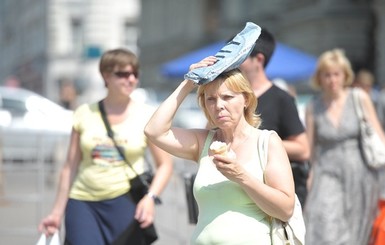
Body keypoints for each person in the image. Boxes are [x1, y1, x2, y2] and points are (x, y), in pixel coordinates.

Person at [144, 56, 295, 244]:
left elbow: (285, 209)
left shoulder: (266, 141)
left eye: (227, 97)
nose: (219, 106)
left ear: (246, 99)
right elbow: (154, 131)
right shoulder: (203, 141)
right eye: (211, 99)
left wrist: (241, 176)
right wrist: (189, 82)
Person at [38, 48, 173, 244]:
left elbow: (165, 165)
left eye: (135, 73)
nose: (131, 79)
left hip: (125, 203)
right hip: (83, 202)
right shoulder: (84, 113)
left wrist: (150, 198)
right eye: (123, 74)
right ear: (106, 75)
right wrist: (56, 213)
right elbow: (69, 167)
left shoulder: (147, 116)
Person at [304, 48, 384, 244]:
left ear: (345, 75)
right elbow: (309, 150)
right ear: (319, 78)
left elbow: (378, 136)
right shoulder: (313, 107)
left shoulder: (358, 98)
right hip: (327, 175)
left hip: (362, 176)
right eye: (327, 75)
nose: (332, 80)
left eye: (336, 74)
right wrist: (309, 183)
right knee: (325, 225)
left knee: (358, 231)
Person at [239, 28, 310, 207]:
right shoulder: (230, 97)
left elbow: (303, 148)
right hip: (237, 190)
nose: (234, 61)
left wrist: (257, 141)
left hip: (270, 194)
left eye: (240, 55)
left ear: (259, 60)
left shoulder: (281, 99)